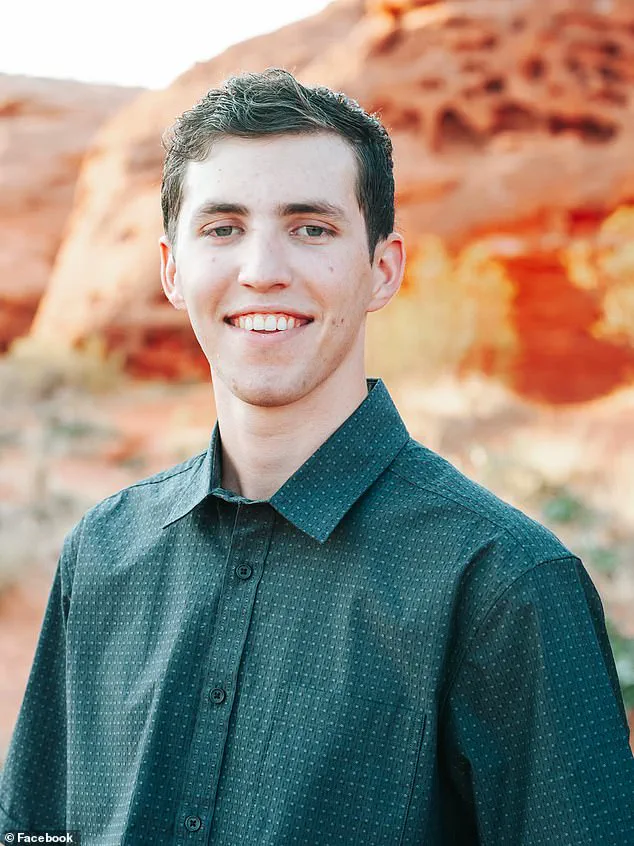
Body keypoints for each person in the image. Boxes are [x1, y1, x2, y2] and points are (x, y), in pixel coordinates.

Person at [1, 68, 633, 846]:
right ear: (171, 270)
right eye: (222, 228)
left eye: (311, 228)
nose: (263, 269)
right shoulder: (101, 555)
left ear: (382, 270)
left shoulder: (505, 586)